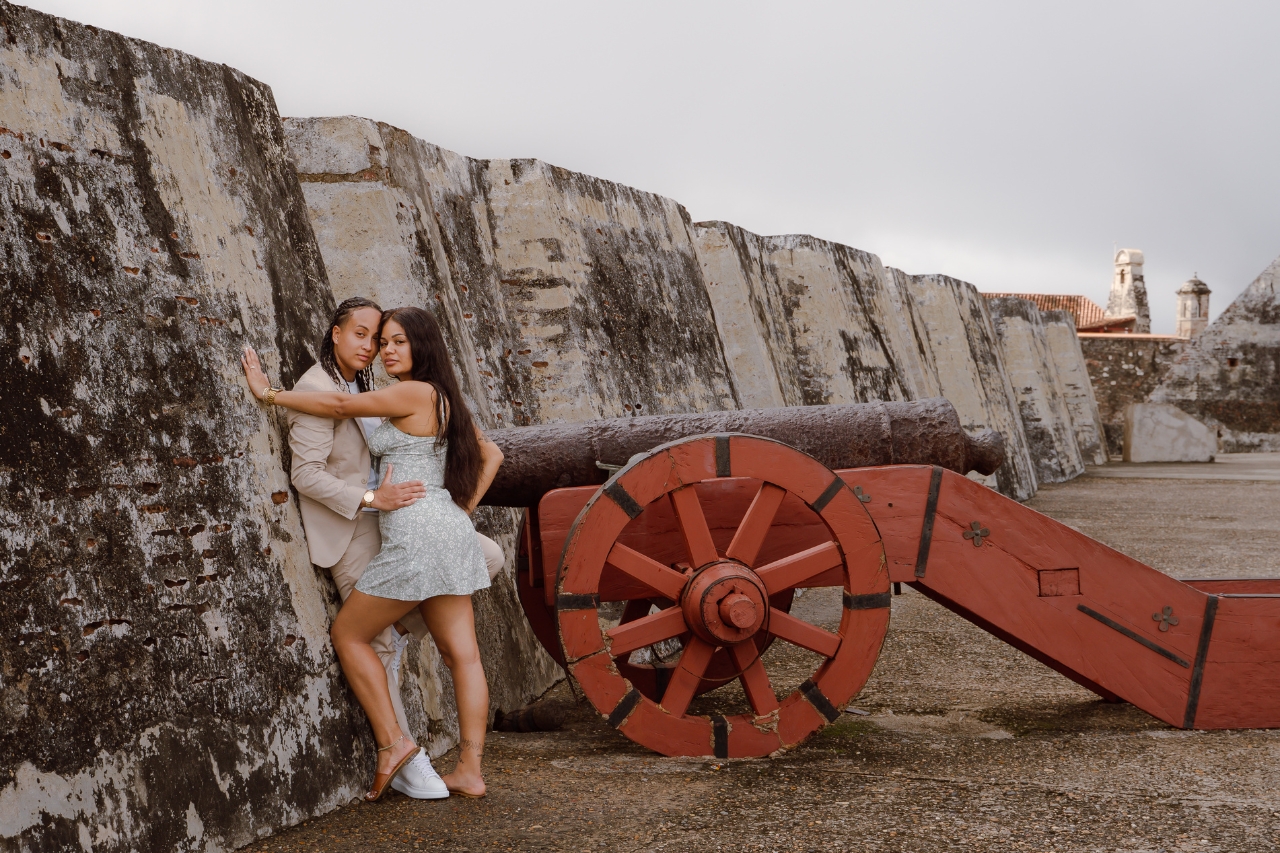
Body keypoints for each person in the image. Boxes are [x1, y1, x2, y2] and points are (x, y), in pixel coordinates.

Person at [264, 299, 501, 801]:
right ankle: (471, 771)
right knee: (465, 656)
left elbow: (340, 407)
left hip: (414, 536)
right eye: (378, 339)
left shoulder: (408, 392)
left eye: (396, 341)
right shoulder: (442, 394)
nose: (382, 349)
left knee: (350, 634)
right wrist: (458, 513)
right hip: (443, 525)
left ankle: (393, 747)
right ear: (337, 334)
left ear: (422, 347)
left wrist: (269, 393)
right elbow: (491, 452)